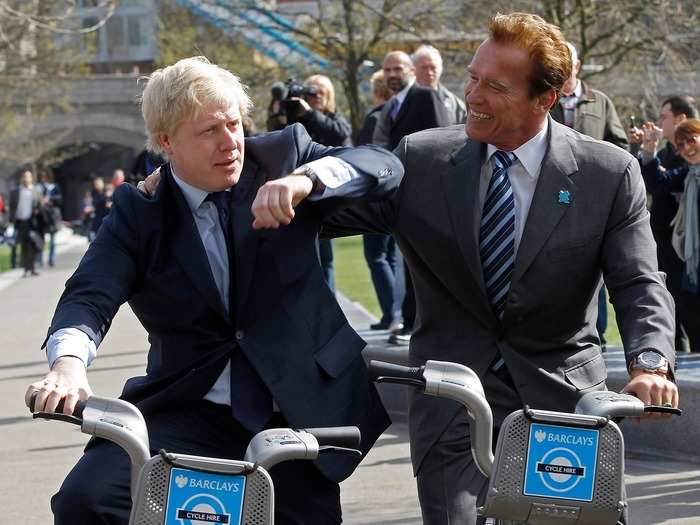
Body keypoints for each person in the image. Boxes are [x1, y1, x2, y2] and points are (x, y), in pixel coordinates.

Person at [323, 13, 678, 524]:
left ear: (545, 99)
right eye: (471, 77)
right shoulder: (422, 159)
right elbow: (323, 208)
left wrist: (650, 365)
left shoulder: (607, 174)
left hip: (563, 403)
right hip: (453, 403)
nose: (472, 95)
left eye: (494, 86)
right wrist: (277, 184)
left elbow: (640, 283)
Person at [24, 56, 400, 525]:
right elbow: (89, 294)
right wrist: (67, 366)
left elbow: (382, 164)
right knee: (87, 501)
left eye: (234, 125)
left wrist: (306, 180)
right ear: (166, 142)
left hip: (298, 409)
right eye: (209, 132)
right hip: (188, 408)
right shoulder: (140, 211)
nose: (230, 144)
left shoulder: (281, 157)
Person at [550, 41, 629, 347]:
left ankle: (597, 337)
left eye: (567, 62)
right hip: (554, 194)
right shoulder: (547, 97)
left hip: (590, 197)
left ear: (578, 66)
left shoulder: (599, 101)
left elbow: (619, 144)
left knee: (592, 264)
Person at [373, 50, 452, 345]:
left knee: (423, 261)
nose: (392, 74)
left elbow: (444, 142)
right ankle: (410, 321)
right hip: (402, 195)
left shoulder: (424, 96)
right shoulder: (393, 104)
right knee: (409, 260)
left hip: (427, 193)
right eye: (387, 69)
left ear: (410, 70)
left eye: (398, 68)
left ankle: (423, 325)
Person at [631, 96, 698, 351]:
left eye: (691, 141)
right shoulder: (685, 169)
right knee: (676, 314)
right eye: (682, 145)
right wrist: (646, 150)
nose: (687, 148)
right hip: (679, 251)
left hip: (685, 255)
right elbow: (657, 182)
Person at [359, 70, 405, 330]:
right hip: (396, 195)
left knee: (376, 256)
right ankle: (393, 313)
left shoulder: (375, 119)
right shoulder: (396, 116)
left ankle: (391, 313)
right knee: (389, 256)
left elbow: (366, 158)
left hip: (376, 198)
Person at [411, 44, 466, 125]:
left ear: (440, 69)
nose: (429, 72)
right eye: (424, 67)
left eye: (433, 67)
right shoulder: (402, 100)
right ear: (413, 69)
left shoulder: (454, 104)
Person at [9, 170, 44, 277]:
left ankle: (32, 267)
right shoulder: (15, 191)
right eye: (24, 176)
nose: (26, 179)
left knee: (33, 245)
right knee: (23, 245)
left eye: (28, 176)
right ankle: (25, 268)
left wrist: (38, 210)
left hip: (32, 222)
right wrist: (10, 221)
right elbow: (11, 207)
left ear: (31, 178)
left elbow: (40, 205)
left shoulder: (36, 191)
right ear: (21, 178)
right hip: (20, 221)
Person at [37, 170, 63, 267]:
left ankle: (51, 259)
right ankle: (39, 260)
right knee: (41, 237)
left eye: (45, 176)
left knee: (52, 239)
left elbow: (60, 199)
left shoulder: (54, 187)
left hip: (52, 215)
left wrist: (50, 199)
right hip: (42, 214)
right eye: (42, 177)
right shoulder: (39, 187)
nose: (43, 179)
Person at [87, 177, 108, 242]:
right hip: (97, 219)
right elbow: (93, 203)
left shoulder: (107, 192)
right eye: (96, 183)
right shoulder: (94, 193)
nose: (97, 185)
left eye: (99, 183)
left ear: (102, 183)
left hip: (106, 218)